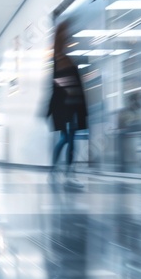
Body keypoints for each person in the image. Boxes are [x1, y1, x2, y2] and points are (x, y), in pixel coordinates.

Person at [46, 20, 88, 187]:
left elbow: (71, 85)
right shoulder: (59, 59)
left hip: (72, 106)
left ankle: (63, 172)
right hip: (64, 108)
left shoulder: (66, 59)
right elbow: (57, 85)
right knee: (67, 138)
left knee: (69, 139)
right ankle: (61, 172)